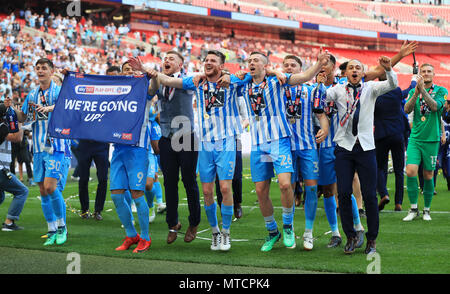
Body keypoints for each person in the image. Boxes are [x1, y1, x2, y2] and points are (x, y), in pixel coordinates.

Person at [138, 50, 250, 251]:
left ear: (222, 65)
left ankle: (222, 231)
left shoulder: (229, 81)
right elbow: (168, 82)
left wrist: (238, 74)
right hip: (198, 141)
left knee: (221, 188)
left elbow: (253, 74)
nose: (208, 63)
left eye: (213, 61)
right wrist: (149, 72)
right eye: (206, 60)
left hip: (215, 140)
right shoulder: (197, 82)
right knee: (202, 190)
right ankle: (213, 232)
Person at [237, 50, 330, 252]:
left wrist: (318, 63)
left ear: (266, 65)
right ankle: (272, 231)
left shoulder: (279, 82)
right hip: (258, 144)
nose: (251, 63)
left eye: (256, 60)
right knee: (261, 190)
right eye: (249, 60)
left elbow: (306, 80)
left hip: (282, 141)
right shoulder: (243, 84)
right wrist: (230, 75)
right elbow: (224, 81)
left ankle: (292, 228)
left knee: (287, 185)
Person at [324, 56, 398, 255]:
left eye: (358, 67)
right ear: (345, 73)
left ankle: (372, 239)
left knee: (369, 196)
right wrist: (323, 75)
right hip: (344, 148)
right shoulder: (337, 90)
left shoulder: (371, 89)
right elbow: (321, 95)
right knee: (344, 193)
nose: (354, 70)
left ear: (362, 72)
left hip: (365, 147)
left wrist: (389, 68)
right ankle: (351, 236)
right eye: (351, 68)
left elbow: (392, 84)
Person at [132, 51, 201, 245]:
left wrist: (150, 70)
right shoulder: (160, 80)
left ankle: (194, 222)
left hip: (186, 136)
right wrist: (151, 76)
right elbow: (152, 91)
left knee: (189, 181)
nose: (166, 61)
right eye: (165, 59)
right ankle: (173, 224)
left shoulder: (188, 80)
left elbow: (170, 83)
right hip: (166, 138)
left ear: (180, 64)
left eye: (171, 59)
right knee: (169, 183)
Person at [15, 58, 70, 246]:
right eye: (37, 68)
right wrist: (13, 110)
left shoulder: (59, 91)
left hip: (56, 145)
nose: (40, 71)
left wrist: (49, 108)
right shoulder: (32, 94)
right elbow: (23, 116)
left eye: (44, 68)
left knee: (50, 187)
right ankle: (52, 229)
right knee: (42, 191)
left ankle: (63, 227)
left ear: (51, 70)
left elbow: (66, 105)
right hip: (38, 147)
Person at [107, 61, 158, 253]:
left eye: (132, 69)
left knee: (137, 194)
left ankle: (145, 237)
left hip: (138, 149)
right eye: (126, 69)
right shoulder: (114, 93)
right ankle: (131, 235)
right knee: (117, 195)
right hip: (118, 148)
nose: (129, 72)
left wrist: (151, 75)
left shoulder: (143, 89)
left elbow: (154, 88)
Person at [315, 54, 365, 249]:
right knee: (328, 190)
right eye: (319, 63)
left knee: (344, 188)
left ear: (334, 67)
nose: (322, 66)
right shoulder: (314, 88)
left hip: (343, 144)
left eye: (326, 63)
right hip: (323, 146)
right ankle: (335, 233)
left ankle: (358, 227)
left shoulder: (344, 86)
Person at [281, 55, 329, 250]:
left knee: (310, 188)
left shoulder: (310, 91)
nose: (290, 68)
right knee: (288, 188)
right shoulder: (277, 90)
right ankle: (289, 229)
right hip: (284, 146)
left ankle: (308, 232)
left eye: (294, 65)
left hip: (308, 145)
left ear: (301, 69)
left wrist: (325, 128)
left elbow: (321, 114)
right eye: (286, 65)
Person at [403, 64, 448, 222]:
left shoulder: (442, 91)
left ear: (434, 74)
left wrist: (422, 91)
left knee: (428, 174)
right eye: (423, 71)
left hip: (432, 139)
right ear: (419, 74)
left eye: (429, 71)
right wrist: (416, 93)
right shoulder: (412, 91)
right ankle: (413, 208)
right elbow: (407, 109)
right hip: (415, 138)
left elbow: (435, 107)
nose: (426, 73)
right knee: (410, 171)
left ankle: (426, 210)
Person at [374, 73, 417, 212]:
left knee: (380, 168)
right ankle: (398, 203)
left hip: (381, 134)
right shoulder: (396, 92)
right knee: (399, 170)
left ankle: (384, 193)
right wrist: (414, 79)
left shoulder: (375, 94)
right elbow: (410, 89)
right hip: (397, 134)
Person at [214, 95, 249, 219]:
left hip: (235, 139)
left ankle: (237, 203)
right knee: (219, 175)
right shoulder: (215, 96)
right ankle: (221, 204)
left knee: (236, 175)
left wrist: (238, 128)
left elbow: (247, 118)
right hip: (218, 140)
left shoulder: (239, 98)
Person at [0, 100, 28, 231]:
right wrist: (19, 121)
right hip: (1, 170)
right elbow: (17, 138)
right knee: (22, 191)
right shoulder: (2, 128)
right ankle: (9, 222)